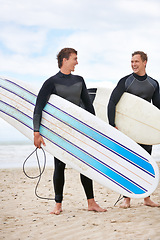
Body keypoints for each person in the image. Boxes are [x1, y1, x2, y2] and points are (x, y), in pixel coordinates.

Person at [33, 47, 107, 214]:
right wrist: (36, 132)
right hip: (60, 132)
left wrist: (95, 129)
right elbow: (39, 107)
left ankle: (91, 203)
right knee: (59, 166)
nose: (77, 62)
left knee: (84, 165)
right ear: (65, 60)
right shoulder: (51, 82)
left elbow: (88, 107)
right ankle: (58, 205)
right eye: (75, 58)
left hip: (78, 131)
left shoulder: (79, 80)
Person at [108, 51, 160, 208]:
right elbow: (112, 103)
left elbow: (157, 108)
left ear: (145, 62)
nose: (133, 64)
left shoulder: (153, 84)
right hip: (128, 131)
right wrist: (112, 125)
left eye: (136, 61)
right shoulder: (126, 81)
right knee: (128, 163)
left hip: (144, 131)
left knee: (146, 164)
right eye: (132, 61)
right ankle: (127, 199)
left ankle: (147, 198)